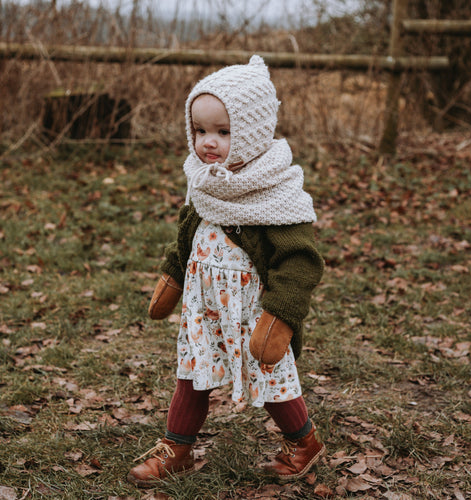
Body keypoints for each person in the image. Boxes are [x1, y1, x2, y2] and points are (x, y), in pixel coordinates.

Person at [127, 55, 325, 488]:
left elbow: (300, 261)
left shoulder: (276, 193)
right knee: (192, 371)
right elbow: (187, 235)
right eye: (200, 131)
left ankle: (304, 442)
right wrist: (172, 277)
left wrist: (282, 314)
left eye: (223, 131)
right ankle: (176, 448)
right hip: (205, 306)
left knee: (270, 377)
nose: (207, 143)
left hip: (254, 312)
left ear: (252, 134)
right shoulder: (205, 180)